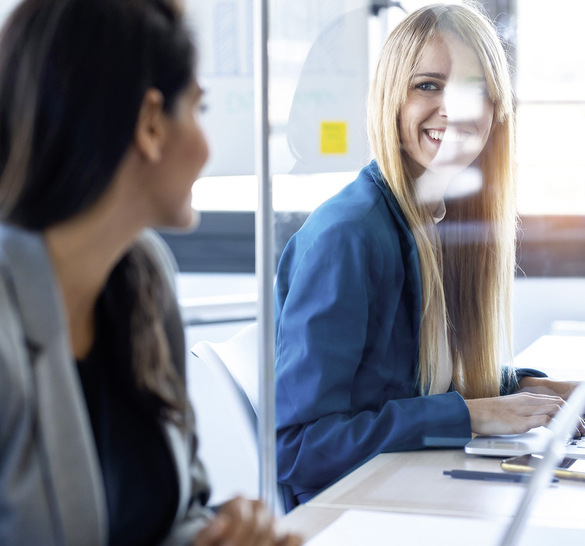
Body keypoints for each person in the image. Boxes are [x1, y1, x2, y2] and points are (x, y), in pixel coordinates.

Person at [0, 1, 301, 545]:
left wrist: (219, 535)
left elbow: (170, 512)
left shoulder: (143, 280)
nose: (208, 149)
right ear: (149, 125)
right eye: (199, 110)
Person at [274, 1, 583, 511]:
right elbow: (300, 449)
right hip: (355, 514)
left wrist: (536, 391)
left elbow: (413, 378)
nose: (454, 108)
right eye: (428, 85)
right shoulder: (349, 236)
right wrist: (473, 414)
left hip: (407, 488)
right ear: (391, 100)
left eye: (474, 89)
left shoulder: (435, 220)